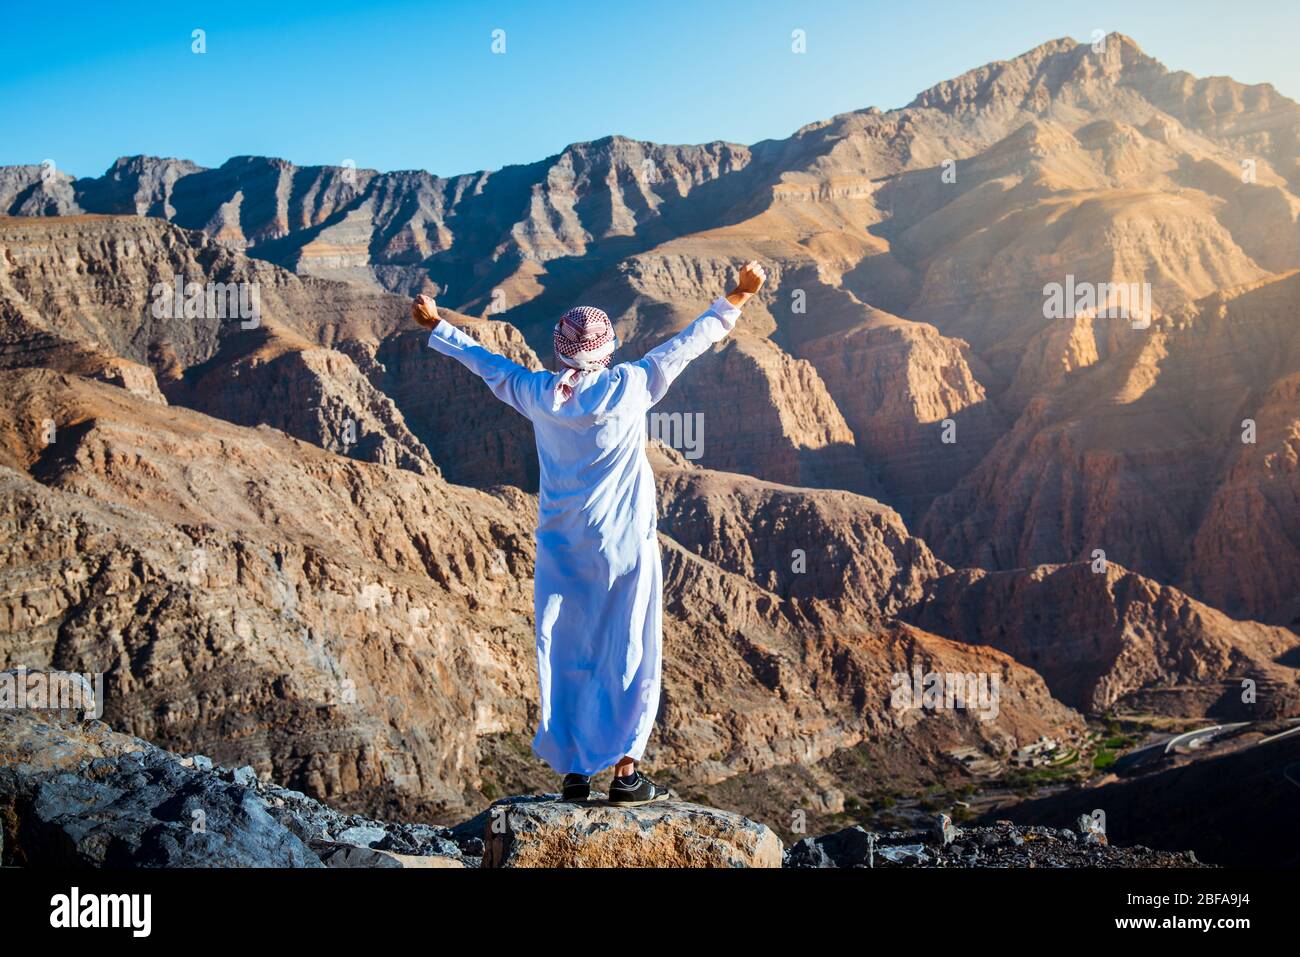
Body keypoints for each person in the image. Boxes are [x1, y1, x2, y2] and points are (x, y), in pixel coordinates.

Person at [412, 261, 767, 805]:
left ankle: (575, 772)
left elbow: (487, 364)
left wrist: (438, 327)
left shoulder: (537, 393)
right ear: (609, 347)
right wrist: (738, 296)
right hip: (625, 546)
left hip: (562, 546)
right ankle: (627, 773)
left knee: (566, 647)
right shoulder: (630, 386)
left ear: (560, 350)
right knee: (631, 646)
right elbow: (689, 343)